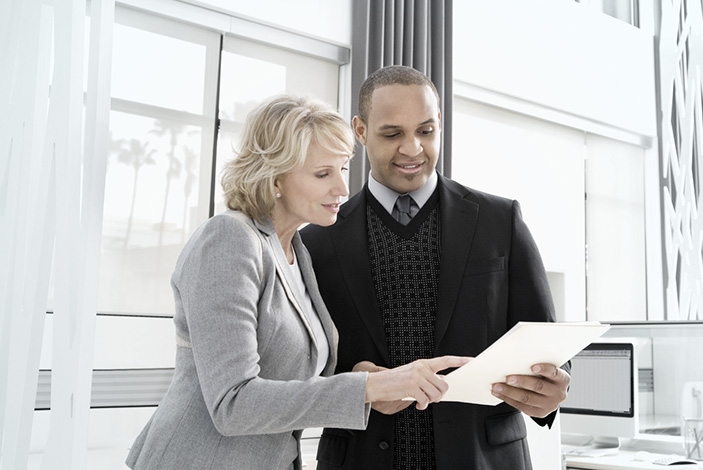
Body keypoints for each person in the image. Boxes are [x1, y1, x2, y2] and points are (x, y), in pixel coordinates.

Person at [125, 94, 469, 470]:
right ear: (274, 178)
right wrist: (367, 389)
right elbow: (233, 403)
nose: (342, 188)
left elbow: (289, 375)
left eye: (342, 168)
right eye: (323, 174)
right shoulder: (229, 239)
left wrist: (363, 381)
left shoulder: (296, 252)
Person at [300, 66, 572, 470]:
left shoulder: (501, 221)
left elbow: (544, 343)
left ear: (440, 123)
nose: (412, 149)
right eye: (392, 134)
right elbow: (300, 369)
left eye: (426, 131)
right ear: (360, 130)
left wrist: (552, 385)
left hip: (483, 459)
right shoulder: (315, 241)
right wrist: (358, 382)